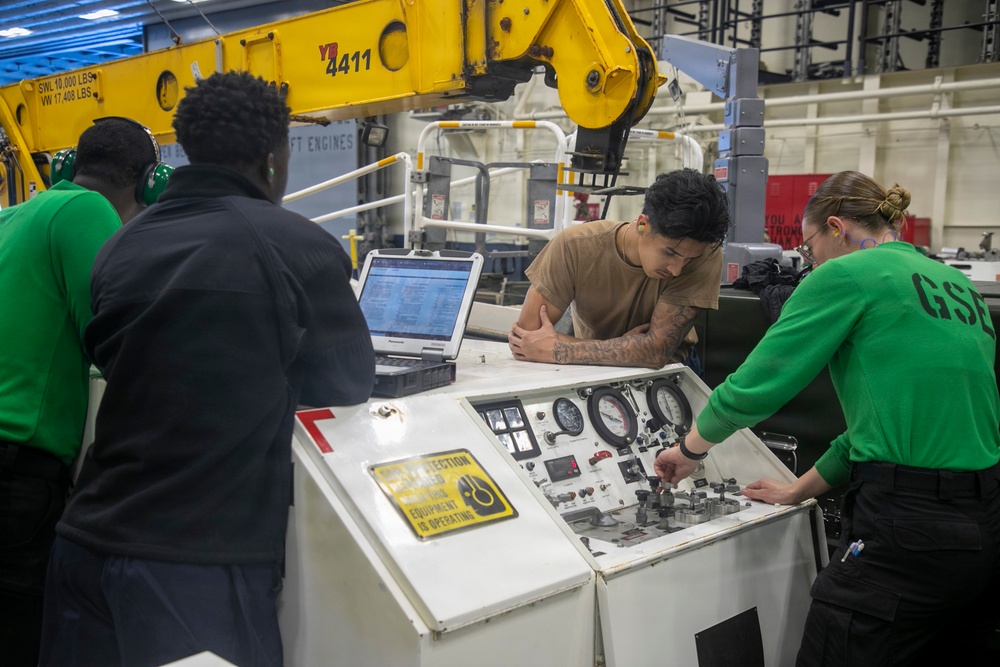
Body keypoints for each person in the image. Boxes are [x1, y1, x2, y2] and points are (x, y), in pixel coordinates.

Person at [40, 71, 375, 667]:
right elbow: (347, 382)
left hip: (82, 546)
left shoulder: (121, 246)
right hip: (196, 570)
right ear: (275, 159)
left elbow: (118, 357)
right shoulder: (299, 247)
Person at [654, 171, 1000, 664]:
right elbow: (876, 434)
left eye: (809, 248)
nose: (808, 262)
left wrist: (689, 450)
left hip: (908, 530)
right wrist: (798, 490)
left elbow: (756, 385)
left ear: (835, 227)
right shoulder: (955, 285)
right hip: (983, 531)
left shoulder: (845, 275)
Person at [0, 117, 161, 666]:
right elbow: (116, 336)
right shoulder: (84, 210)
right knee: (21, 636)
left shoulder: (16, 215)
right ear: (148, 182)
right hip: (18, 468)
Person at [508, 168, 730, 368]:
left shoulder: (706, 254)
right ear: (643, 224)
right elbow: (526, 339)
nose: (677, 270)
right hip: (584, 367)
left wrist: (559, 348)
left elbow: (655, 353)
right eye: (670, 253)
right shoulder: (574, 246)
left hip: (672, 369)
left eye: (689, 259)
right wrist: (625, 347)